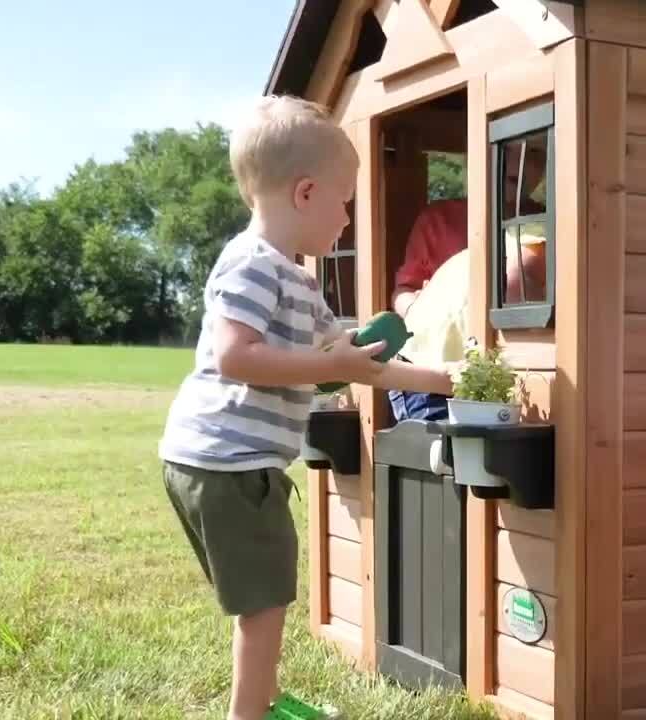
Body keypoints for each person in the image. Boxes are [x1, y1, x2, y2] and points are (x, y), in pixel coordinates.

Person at [156, 95, 453, 720]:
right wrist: (329, 366)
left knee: (264, 600)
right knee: (263, 607)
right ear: (307, 193)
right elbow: (235, 357)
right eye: (345, 200)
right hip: (228, 464)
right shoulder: (253, 265)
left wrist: (443, 379)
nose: (348, 216)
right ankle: (250, 714)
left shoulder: (299, 279)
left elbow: (353, 360)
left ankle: (262, 700)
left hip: (220, 462)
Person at [385, 143, 547, 422]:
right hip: (432, 365)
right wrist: (418, 308)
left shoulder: (546, 221)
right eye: (507, 149)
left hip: (495, 368)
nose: (519, 162)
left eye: (533, 154)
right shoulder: (440, 220)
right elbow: (404, 290)